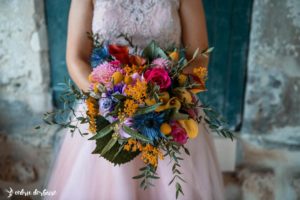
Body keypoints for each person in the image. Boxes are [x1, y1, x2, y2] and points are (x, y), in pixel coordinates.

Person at [46, 0, 225, 199]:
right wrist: (109, 99)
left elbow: (199, 57)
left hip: (169, 107)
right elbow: (76, 57)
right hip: (107, 106)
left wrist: (166, 94)